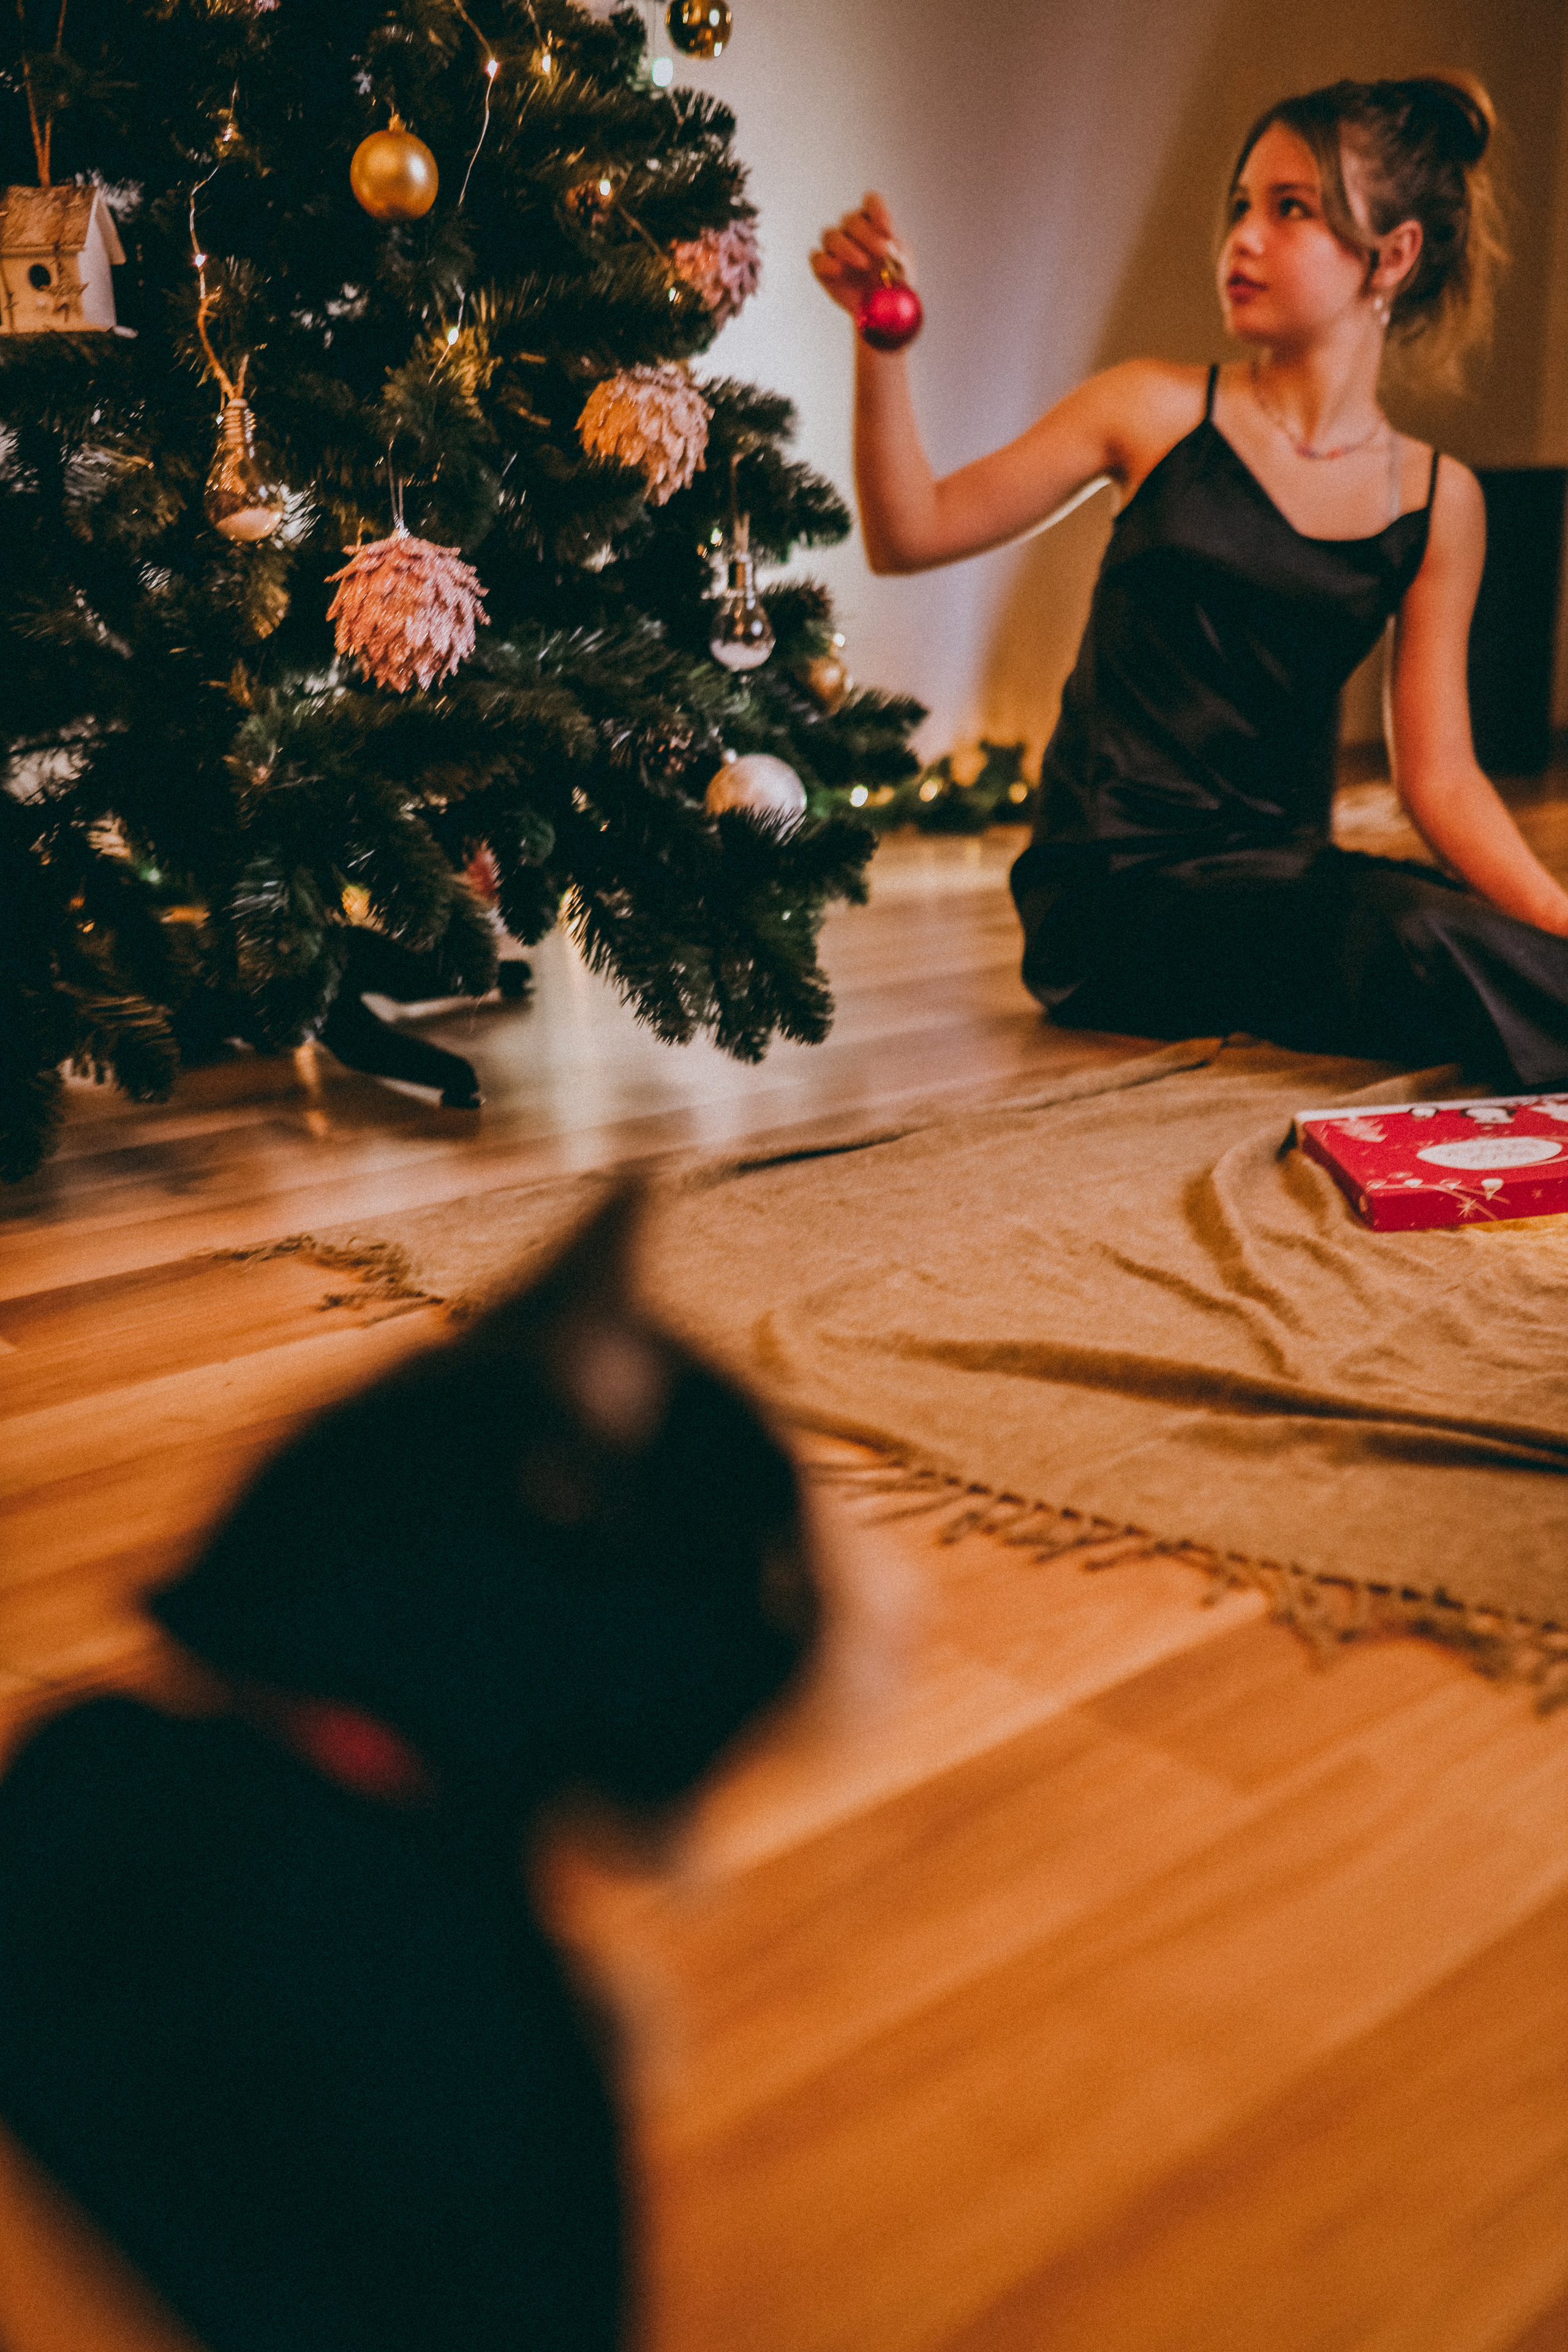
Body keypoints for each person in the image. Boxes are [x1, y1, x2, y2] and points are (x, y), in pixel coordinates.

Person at [812, 75, 1568, 1087]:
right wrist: (880, 340)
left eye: (1291, 208)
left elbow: (1440, 781)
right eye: (1241, 206)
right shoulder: (1152, 410)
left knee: (1463, 928)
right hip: (1115, 894)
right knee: (1421, 938)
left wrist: (1558, 917)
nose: (1243, 239)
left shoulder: (1440, 499)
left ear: (1392, 256)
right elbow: (911, 532)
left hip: (1284, 881)